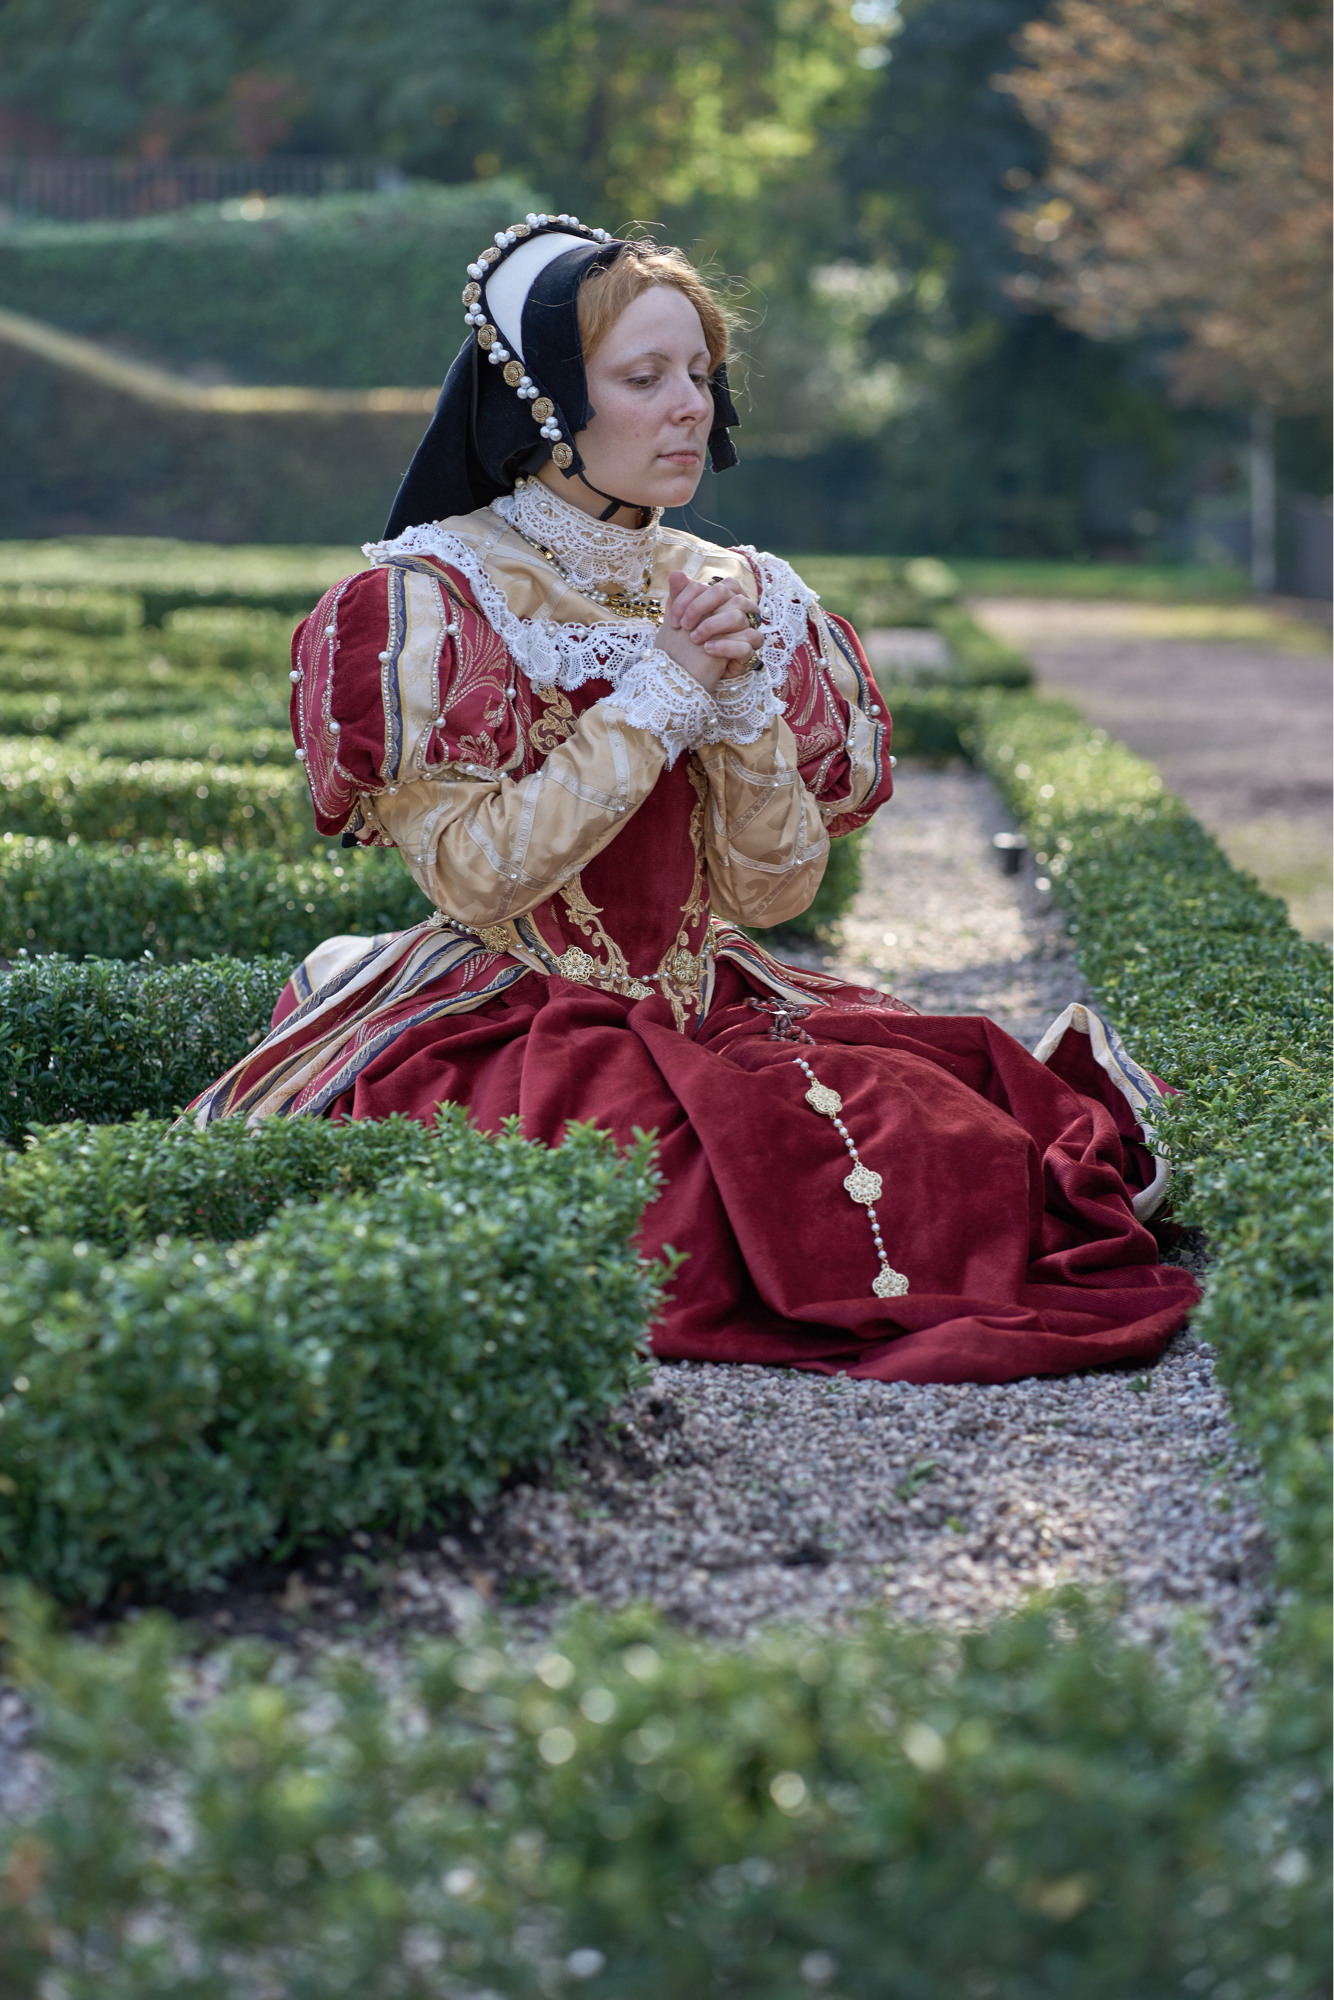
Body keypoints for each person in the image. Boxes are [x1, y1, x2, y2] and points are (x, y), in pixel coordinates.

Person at [190, 212, 1197, 1384]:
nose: (691, 407)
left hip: (707, 996)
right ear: (544, 402)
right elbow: (479, 875)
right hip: (515, 1016)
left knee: (938, 1140)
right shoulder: (435, 598)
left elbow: (772, 894)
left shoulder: (742, 591)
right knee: (692, 1204)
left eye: (701, 375)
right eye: (644, 377)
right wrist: (661, 689)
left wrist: (738, 709)